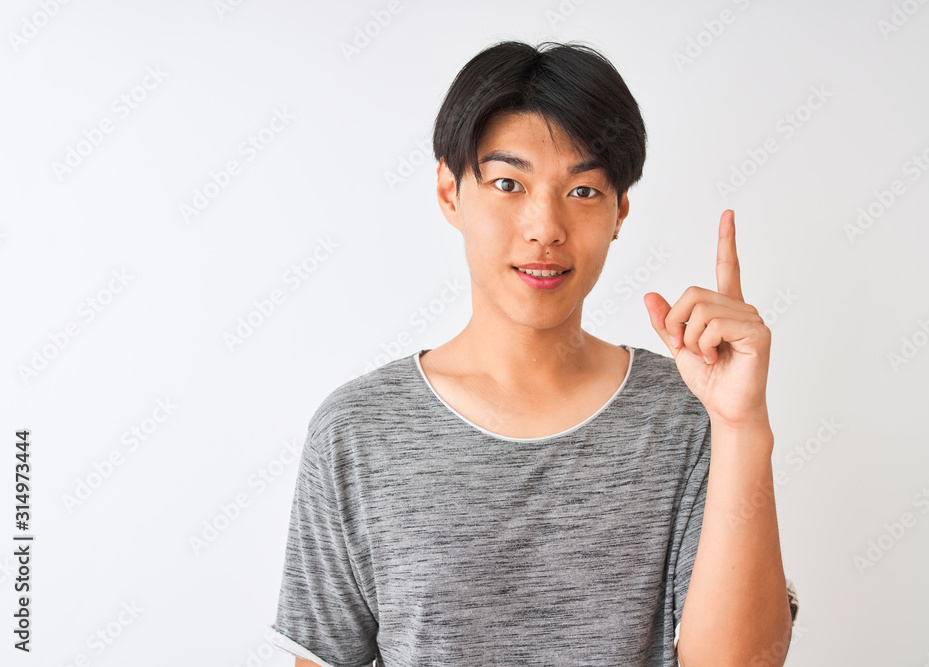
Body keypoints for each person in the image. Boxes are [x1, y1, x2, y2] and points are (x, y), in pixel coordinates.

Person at [268, 39, 798, 666]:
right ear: (449, 191)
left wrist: (741, 426)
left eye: (583, 191)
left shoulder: (686, 414)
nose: (545, 226)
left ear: (620, 210)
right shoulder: (357, 431)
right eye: (508, 183)